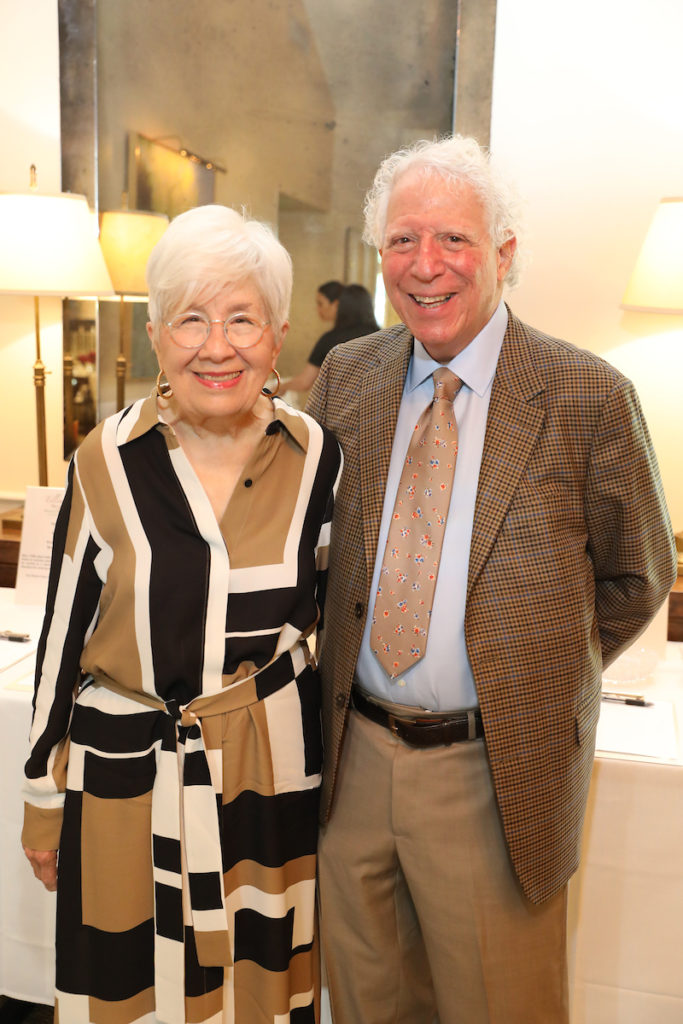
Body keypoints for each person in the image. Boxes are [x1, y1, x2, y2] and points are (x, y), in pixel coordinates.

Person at [306, 136, 677, 1023]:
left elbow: (637, 575)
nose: (424, 266)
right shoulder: (347, 377)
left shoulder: (587, 395)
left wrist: (528, 671)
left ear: (502, 254)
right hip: (351, 761)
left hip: (493, 775)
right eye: (401, 241)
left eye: (453, 240)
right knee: (362, 1004)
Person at [22, 204, 342, 1023]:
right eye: (191, 319)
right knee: (132, 991)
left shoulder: (315, 460)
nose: (217, 345)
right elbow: (61, 639)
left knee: (257, 990)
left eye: (242, 319)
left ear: (276, 336)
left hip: (266, 779)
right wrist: (41, 797)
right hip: (126, 777)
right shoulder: (104, 460)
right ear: (158, 333)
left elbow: (342, 625)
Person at [284, 283, 379, 394]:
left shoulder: (330, 340)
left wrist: (278, 387)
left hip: (342, 406)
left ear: (338, 305)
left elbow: (305, 382)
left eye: (320, 304)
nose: (317, 309)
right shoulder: (382, 337)